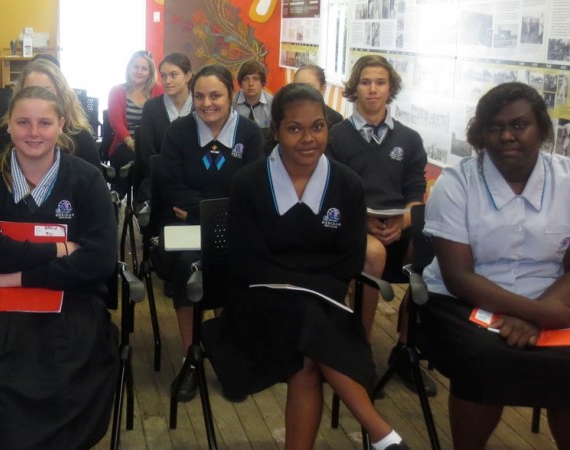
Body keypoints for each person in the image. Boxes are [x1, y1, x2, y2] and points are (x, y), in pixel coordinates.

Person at [211, 83, 409, 450]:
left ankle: (377, 437)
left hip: (322, 309)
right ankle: (380, 432)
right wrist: (308, 282)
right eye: (294, 128)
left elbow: (348, 261)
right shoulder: (249, 182)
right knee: (309, 331)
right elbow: (248, 263)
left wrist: (301, 283)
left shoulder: (346, 184)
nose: (308, 138)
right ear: (275, 131)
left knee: (307, 355)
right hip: (258, 307)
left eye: (318, 126)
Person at [0, 86, 118, 449]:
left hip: (73, 299)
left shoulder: (87, 179)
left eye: (45, 122)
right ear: (8, 126)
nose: (34, 132)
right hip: (2, 302)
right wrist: (60, 248)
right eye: (23, 122)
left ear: (61, 124)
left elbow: (98, 261)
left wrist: (23, 275)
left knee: (76, 360)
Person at [420, 82, 570, 450]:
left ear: (541, 128)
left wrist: (535, 315)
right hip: (463, 301)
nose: (507, 135)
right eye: (495, 127)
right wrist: (538, 312)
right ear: (481, 133)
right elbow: (459, 277)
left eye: (519, 125)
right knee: (485, 357)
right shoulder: (457, 183)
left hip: (550, 298)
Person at [326, 55, 431, 395]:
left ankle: (405, 347)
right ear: (354, 87)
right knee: (374, 256)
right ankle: (361, 349)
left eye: (380, 82)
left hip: (398, 224)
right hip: (351, 224)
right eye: (366, 82)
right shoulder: (334, 137)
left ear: (391, 88)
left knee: (435, 253)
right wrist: (365, 221)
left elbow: (417, 195)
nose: (373, 89)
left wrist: (401, 221)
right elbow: (330, 193)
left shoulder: (410, 139)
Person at [159, 64, 264, 401]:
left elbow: (251, 189)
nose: (207, 103)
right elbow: (171, 186)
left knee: (236, 266)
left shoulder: (249, 134)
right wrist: (208, 210)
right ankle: (191, 358)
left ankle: (225, 355)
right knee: (184, 262)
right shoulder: (178, 132)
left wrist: (205, 210)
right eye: (200, 96)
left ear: (231, 96)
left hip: (234, 226)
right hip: (184, 228)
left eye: (216, 95)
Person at [0, 59, 100, 170]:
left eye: (47, 91)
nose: (38, 97)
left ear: (62, 96)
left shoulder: (82, 140)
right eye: (30, 91)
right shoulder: (2, 136)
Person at [134, 52, 193, 205]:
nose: (167, 81)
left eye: (174, 75)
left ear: (188, 76)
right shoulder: (152, 107)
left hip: (195, 177)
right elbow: (148, 151)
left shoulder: (200, 106)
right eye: (164, 76)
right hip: (159, 177)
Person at [107, 50, 163, 170]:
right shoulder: (116, 91)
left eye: (144, 68)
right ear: (129, 69)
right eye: (135, 67)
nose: (139, 72)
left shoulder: (159, 91)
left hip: (151, 146)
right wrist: (132, 144)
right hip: (125, 144)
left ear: (150, 73)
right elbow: (117, 124)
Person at [233, 60, 273, 128]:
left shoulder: (272, 103)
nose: (251, 84)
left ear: (262, 82)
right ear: (240, 83)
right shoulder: (231, 103)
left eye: (255, 79)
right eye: (246, 79)